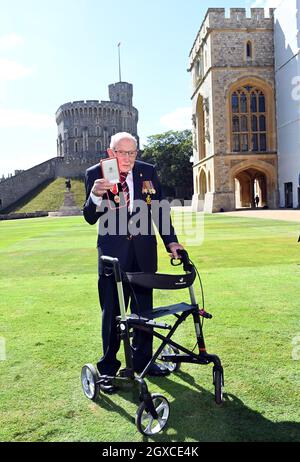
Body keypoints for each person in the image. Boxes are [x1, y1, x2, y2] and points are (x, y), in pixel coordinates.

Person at [83, 132, 184, 393]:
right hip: (112, 256)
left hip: (143, 254)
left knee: (144, 313)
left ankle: (143, 362)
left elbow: (159, 210)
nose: (127, 158)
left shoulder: (147, 171)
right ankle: (107, 369)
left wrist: (171, 242)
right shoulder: (96, 173)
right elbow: (90, 218)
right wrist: (95, 195)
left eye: (132, 152)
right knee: (112, 314)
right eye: (121, 152)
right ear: (110, 152)